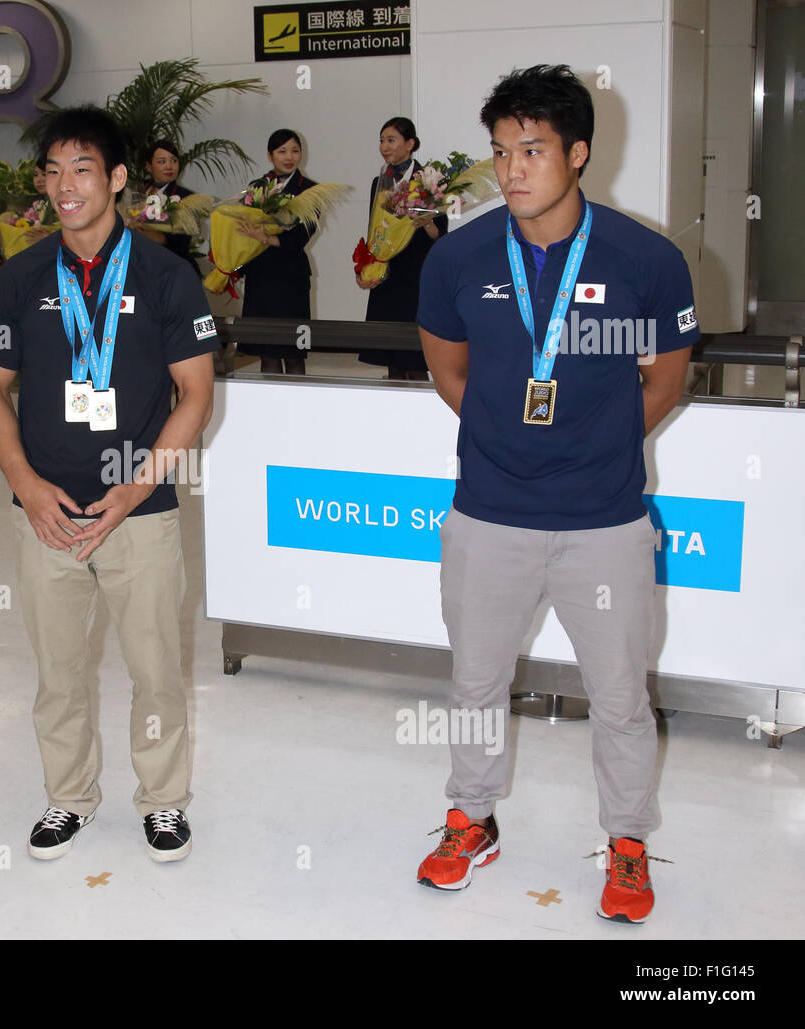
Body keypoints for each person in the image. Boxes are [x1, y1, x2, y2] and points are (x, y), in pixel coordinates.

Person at [415, 65, 696, 923]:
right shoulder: (460, 254)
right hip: (486, 514)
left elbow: (667, 381)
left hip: (605, 519)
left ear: (578, 153)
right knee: (474, 682)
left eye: (532, 150)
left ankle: (627, 839)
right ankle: (472, 818)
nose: (512, 170)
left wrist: (591, 445)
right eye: (502, 152)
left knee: (617, 694)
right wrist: (510, 438)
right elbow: (447, 368)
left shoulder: (647, 259)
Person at [0, 106, 217, 863]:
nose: (65, 185)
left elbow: (197, 396)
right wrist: (27, 484)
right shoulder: (21, 276)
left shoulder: (165, 275)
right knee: (59, 672)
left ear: (117, 178)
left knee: (155, 669)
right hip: (45, 510)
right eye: (53, 170)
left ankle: (164, 800)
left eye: (83, 168)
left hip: (139, 511)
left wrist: (136, 490)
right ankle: (69, 796)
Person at [357, 117, 448, 380]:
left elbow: (440, 234)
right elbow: (374, 229)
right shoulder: (380, 182)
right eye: (382, 141)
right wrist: (366, 266)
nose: (385, 147)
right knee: (391, 354)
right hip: (387, 271)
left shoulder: (429, 179)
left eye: (391, 140)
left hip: (416, 274)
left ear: (410, 144)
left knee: (415, 356)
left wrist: (426, 224)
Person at [234, 129, 320, 376]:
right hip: (261, 277)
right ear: (270, 155)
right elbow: (244, 231)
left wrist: (268, 237)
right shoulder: (257, 187)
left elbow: (304, 234)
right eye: (282, 151)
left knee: (294, 353)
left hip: (291, 277)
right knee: (267, 353)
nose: (289, 156)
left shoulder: (310, 190)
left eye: (294, 150)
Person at [127, 139, 200, 280]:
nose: (169, 166)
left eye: (173, 161)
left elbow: (181, 243)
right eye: (161, 161)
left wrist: (141, 229)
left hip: (173, 270)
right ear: (149, 166)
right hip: (140, 269)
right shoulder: (137, 193)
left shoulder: (186, 197)